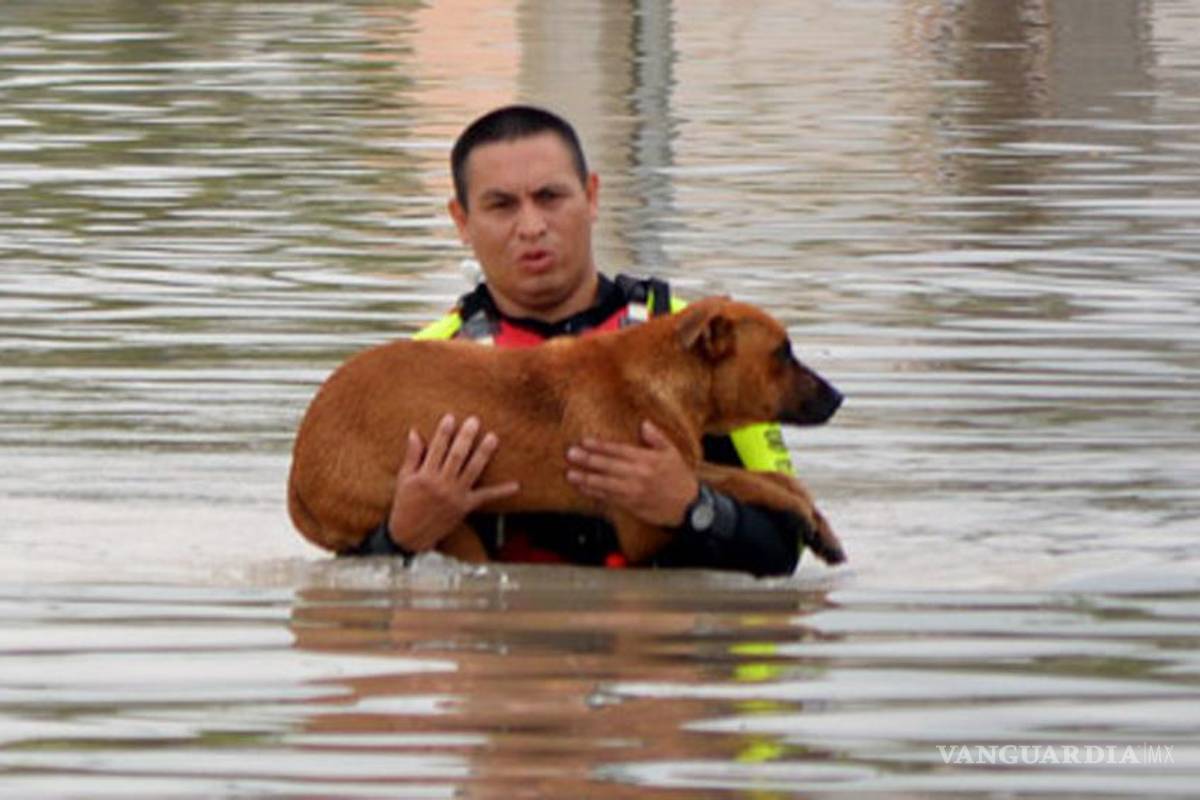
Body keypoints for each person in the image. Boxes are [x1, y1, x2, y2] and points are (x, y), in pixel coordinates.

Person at [346, 105, 806, 576]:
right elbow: (342, 581)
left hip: (659, 642)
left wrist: (694, 506)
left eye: (550, 197)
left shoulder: (700, 344)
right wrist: (400, 536)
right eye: (501, 205)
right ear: (461, 221)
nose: (531, 227)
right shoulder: (426, 365)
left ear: (591, 196)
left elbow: (787, 546)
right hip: (498, 640)